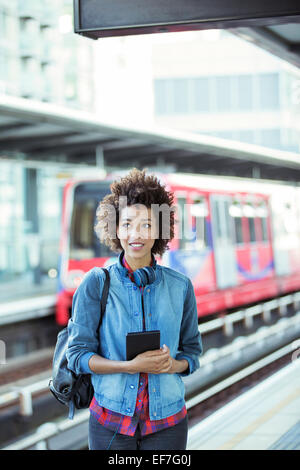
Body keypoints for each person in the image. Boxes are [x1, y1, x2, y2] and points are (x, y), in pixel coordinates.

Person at [66, 168, 202, 450]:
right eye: (127, 224)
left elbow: (192, 353)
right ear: (116, 228)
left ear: (161, 230)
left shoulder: (181, 287)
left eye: (147, 225)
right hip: (110, 422)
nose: (135, 234)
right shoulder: (95, 283)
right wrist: (130, 367)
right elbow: (77, 355)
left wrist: (171, 365)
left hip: (168, 423)